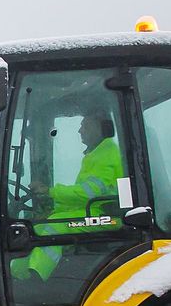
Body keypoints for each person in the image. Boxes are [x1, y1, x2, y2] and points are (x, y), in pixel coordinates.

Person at [15, 112, 126, 280]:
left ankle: (36, 279)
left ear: (100, 128)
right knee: (35, 228)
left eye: (85, 126)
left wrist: (50, 191)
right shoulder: (96, 154)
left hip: (108, 215)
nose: (80, 130)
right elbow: (83, 200)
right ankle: (18, 277)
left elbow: (91, 193)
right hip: (94, 212)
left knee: (55, 228)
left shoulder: (108, 154)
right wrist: (52, 212)